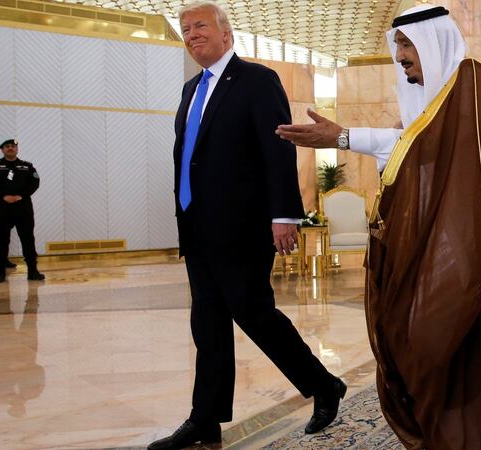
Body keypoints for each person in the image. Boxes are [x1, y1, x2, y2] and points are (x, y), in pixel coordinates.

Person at [277, 5, 481, 449]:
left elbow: (432, 153)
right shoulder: (445, 99)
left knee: (444, 333)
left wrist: (343, 137)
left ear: (433, 40)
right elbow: (413, 148)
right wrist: (343, 137)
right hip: (437, 240)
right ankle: (437, 417)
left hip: (467, 246)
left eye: (406, 43)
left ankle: (471, 424)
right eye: (395, 44)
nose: (399, 55)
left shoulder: (474, 84)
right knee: (414, 334)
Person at [147, 2, 345, 449]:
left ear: (226, 35)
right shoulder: (190, 89)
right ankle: (205, 419)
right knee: (208, 322)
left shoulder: (257, 80)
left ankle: (322, 384)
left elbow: (277, 149)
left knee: (253, 312)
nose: (191, 33)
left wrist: (284, 215)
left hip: (242, 224)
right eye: (185, 29)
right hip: (197, 225)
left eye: (200, 25)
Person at [0, 139, 45, 283]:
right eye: (7, 147)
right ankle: (0, 273)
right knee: (1, 241)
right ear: (2, 150)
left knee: (28, 240)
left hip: (22, 208)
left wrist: (21, 195)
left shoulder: (26, 166)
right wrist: (3, 196)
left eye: (13, 146)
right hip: (2, 209)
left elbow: (35, 183)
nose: (10, 148)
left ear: (17, 149)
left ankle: (33, 271)